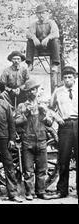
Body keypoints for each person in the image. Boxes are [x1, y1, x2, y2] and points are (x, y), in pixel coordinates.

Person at [14, 79, 55, 200]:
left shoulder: (42, 105)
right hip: (28, 141)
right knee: (28, 170)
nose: (33, 92)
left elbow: (49, 122)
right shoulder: (22, 106)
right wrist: (26, 114)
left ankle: (41, 192)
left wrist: (45, 115)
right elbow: (15, 122)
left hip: (41, 140)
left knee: (42, 169)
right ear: (26, 92)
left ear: (37, 91)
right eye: (30, 90)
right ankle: (29, 192)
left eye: (34, 89)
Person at [49, 66, 78, 199]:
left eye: (70, 77)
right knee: (64, 158)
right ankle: (62, 190)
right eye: (65, 77)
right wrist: (57, 117)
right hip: (65, 126)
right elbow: (50, 108)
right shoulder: (58, 91)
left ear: (75, 77)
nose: (67, 80)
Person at [25, 4, 60, 72]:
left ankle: (55, 64)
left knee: (55, 41)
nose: (41, 15)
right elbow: (28, 34)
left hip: (49, 47)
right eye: (39, 13)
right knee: (29, 41)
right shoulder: (34, 24)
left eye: (43, 13)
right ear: (36, 15)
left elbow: (56, 34)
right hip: (38, 47)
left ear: (47, 14)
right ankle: (30, 64)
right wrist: (34, 38)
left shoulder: (51, 23)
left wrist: (48, 38)